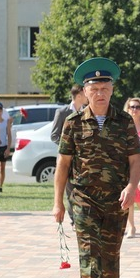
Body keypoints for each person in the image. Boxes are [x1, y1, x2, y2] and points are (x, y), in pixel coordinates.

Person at [52, 57, 140, 278]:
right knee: (90, 254)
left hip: (117, 200)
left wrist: (131, 186)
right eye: (94, 88)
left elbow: (136, 160)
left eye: (104, 87)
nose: (100, 93)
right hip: (83, 199)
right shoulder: (73, 122)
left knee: (110, 259)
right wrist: (58, 203)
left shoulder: (125, 121)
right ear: (86, 91)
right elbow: (63, 164)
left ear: (112, 90)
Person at [50, 84, 86, 225]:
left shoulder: (87, 112)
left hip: (82, 158)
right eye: (85, 94)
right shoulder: (62, 112)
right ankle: (74, 220)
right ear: (78, 96)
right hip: (66, 158)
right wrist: (67, 146)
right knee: (69, 190)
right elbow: (54, 135)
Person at [124, 97, 140, 237]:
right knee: (128, 197)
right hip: (126, 167)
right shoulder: (123, 126)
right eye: (132, 107)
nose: (135, 110)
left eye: (138, 107)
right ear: (127, 109)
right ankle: (131, 227)